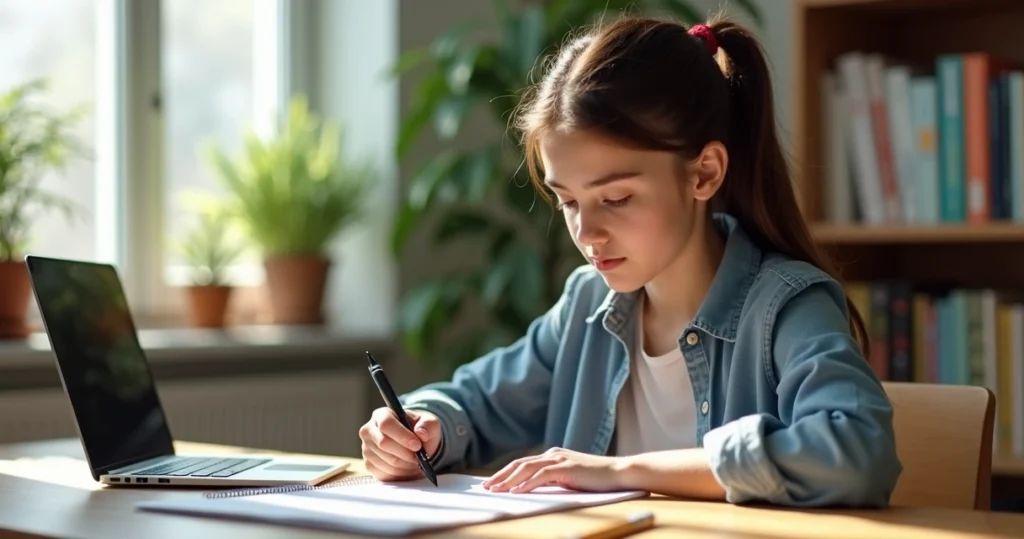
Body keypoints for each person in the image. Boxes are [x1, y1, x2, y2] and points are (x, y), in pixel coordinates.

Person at [359, 14, 902, 508]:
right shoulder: (588, 303)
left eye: (615, 198)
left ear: (704, 173)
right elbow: (473, 402)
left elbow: (856, 450)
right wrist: (418, 426)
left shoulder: (786, 307)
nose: (586, 232)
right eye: (568, 200)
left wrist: (622, 471)